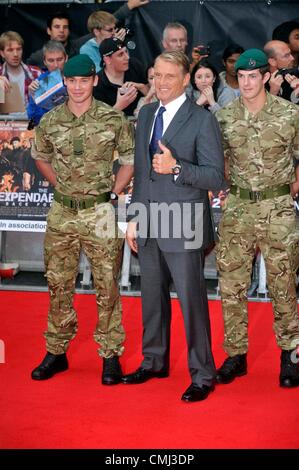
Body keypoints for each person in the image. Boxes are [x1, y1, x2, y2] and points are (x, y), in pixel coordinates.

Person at [122, 51, 224, 402]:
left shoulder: (202, 119)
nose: (161, 83)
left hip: (185, 223)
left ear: (185, 79)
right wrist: (134, 219)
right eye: (156, 76)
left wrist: (177, 167)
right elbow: (139, 173)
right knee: (151, 298)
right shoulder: (147, 114)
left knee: (192, 301)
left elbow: (215, 176)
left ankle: (202, 373)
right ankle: (153, 360)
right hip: (149, 220)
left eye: (169, 76)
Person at [31, 54, 134, 384]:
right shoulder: (51, 120)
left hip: (99, 211)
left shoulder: (111, 119)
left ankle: (110, 355)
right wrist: (57, 184)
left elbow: (131, 161)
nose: (77, 87)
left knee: (107, 284)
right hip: (62, 212)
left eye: (83, 81)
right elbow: (40, 157)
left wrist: (115, 192)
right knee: (58, 283)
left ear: (93, 81)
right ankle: (57, 351)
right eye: (71, 81)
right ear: (65, 82)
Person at [215, 48, 299, 388]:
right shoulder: (224, 117)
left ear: (266, 76)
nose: (248, 82)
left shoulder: (289, 114)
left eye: (254, 76)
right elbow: (218, 159)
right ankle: (236, 355)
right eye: (243, 76)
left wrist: (291, 188)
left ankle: (290, 354)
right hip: (237, 207)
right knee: (231, 284)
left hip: (278, 207)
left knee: (284, 283)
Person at [27, 40, 68, 128]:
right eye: (51, 60)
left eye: (59, 59)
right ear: (44, 62)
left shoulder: (76, 78)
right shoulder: (40, 82)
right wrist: (34, 98)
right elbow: (33, 119)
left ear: (66, 58)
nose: (56, 65)